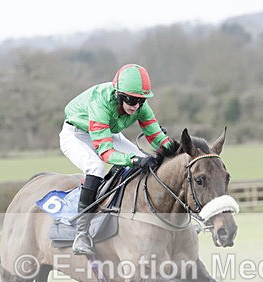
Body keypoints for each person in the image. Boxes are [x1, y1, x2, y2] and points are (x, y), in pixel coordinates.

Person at [60, 63, 177, 255]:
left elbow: (156, 137)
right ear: (118, 94)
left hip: (107, 132)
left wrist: (178, 153)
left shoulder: (140, 105)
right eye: (131, 99)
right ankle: (81, 233)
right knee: (96, 167)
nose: (136, 105)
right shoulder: (101, 101)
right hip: (77, 134)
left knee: (146, 160)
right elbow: (105, 153)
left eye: (140, 100)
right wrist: (133, 160)